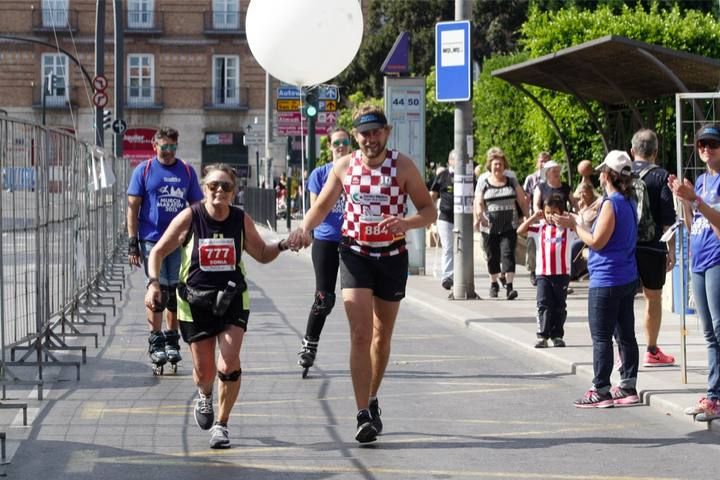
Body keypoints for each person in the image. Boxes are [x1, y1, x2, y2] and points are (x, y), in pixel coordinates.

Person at [287, 104, 436, 443]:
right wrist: (303, 230)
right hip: (354, 253)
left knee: (381, 336)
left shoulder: (403, 166)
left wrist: (406, 222)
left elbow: (429, 210)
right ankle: (361, 414)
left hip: (392, 256)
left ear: (386, 132)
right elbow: (322, 206)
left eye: (376, 132)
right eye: (364, 134)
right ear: (355, 137)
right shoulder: (345, 166)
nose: (370, 139)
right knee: (359, 334)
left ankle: (372, 398)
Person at [144, 163, 291, 448]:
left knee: (229, 362)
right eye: (213, 186)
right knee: (205, 371)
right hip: (194, 302)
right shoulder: (191, 216)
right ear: (204, 189)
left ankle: (222, 424)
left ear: (235, 192)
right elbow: (159, 251)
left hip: (232, 298)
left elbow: (261, 253)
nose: (219, 191)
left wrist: (284, 244)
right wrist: (153, 283)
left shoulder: (239, 219)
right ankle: (204, 394)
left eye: (226, 186)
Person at [554, 150, 640, 408]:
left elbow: (596, 241)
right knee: (626, 334)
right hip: (626, 275)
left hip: (606, 278)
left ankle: (600, 389)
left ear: (607, 175)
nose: (600, 175)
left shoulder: (611, 204)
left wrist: (574, 226)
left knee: (601, 335)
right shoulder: (629, 201)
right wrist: (579, 221)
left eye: (603, 171)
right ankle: (627, 385)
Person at [127, 127, 204, 370]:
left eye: (173, 147)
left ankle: (171, 339)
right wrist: (132, 242)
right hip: (151, 240)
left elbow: (197, 206)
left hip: (178, 241)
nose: (169, 152)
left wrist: (199, 238)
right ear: (154, 146)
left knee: (175, 292)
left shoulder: (187, 172)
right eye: (164, 147)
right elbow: (132, 207)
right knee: (157, 291)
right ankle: (155, 340)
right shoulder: (144, 170)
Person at [669, 123, 720, 422]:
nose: (706, 149)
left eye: (712, 144)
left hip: (716, 259)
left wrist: (696, 199)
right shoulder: (700, 181)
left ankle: (714, 396)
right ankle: (713, 395)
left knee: (718, 330)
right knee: (709, 333)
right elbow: (692, 224)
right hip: (698, 261)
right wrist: (685, 198)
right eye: (702, 145)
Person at [297, 127, 351, 374]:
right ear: (330, 146)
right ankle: (309, 344)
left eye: (344, 142)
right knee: (324, 298)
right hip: (327, 238)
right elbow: (316, 207)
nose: (340, 146)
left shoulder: (358, 171)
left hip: (353, 239)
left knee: (358, 298)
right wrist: (305, 231)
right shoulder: (320, 174)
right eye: (336, 143)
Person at [630, 129, 677, 367]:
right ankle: (651, 350)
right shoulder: (661, 176)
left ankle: (625, 350)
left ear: (632, 151)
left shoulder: (621, 173)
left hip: (625, 246)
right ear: (655, 152)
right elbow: (669, 219)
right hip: (653, 247)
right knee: (653, 297)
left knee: (624, 298)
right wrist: (672, 250)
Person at [518, 195, 578, 348]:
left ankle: (557, 335)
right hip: (543, 273)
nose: (550, 216)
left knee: (559, 305)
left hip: (562, 273)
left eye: (554, 212)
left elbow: (583, 223)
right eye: (548, 212)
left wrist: (568, 217)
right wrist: (533, 217)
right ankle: (542, 335)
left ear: (561, 212)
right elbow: (520, 230)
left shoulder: (568, 228)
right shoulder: (540, 227)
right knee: (543, 304)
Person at [474, 147, 528, 300]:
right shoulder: (483, 181)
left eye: (501, 164)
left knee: (508, 254)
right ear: (490, 166)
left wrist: (527, 216)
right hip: (489, 226)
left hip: (509, 224)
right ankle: (494, 283)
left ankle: (510, 287)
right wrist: (480, 215)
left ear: (505, 166)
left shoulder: (511, 180)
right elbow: (478, 200)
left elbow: (521, 199)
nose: (498, 167)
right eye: (495, 164)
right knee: (492, 257)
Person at [523, 152, 551, 286]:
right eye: (541, 161)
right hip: (535, 217)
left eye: (546, 161)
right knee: (532, 244)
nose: (544, 164)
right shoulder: (531, 179)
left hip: (550, 217)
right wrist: (525, 216)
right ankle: (532, 270)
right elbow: (526, 199)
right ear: (537, 163)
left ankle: (546, 270)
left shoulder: (553, 178)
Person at [430, 149, 455, 291]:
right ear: (450, 161)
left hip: (462, 218)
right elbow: (433, 195)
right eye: (456, 159)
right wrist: (430, 213)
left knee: (461, 248)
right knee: (448, 247)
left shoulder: (467, 175)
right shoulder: (443, 176)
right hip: (445, 217)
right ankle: (447, 276)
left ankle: (459, 274)